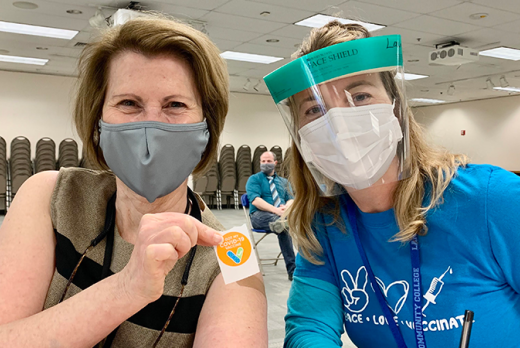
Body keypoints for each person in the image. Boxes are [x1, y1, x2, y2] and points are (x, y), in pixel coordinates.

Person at [0, 16, 267, 348]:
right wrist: (127, 289)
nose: (150, 125)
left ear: (206, 128)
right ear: (98, 120)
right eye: (129, 103)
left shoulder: (232, 254)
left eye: (175, 105)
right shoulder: (49, 197)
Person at [264, 21, 520, 348]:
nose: (340, 123)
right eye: (315, 109)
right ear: (300, 135)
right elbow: (309, 328)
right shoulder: (325, 224)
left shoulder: (491, 200)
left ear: (395, 108)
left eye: (360, 95)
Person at [246, 151, 296, 281]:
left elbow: (291, 199)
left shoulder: (284, 182)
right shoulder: (254, 179)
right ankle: (293, 270)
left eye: (268, 161)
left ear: (275, 163)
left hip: (282, 215)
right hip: (260, 215)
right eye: (263, 161)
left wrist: (286, 207)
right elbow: (255, 200)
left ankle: (294, 270)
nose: (265, 164)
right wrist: (276, 211)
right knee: (283, 223)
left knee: (283, 227)